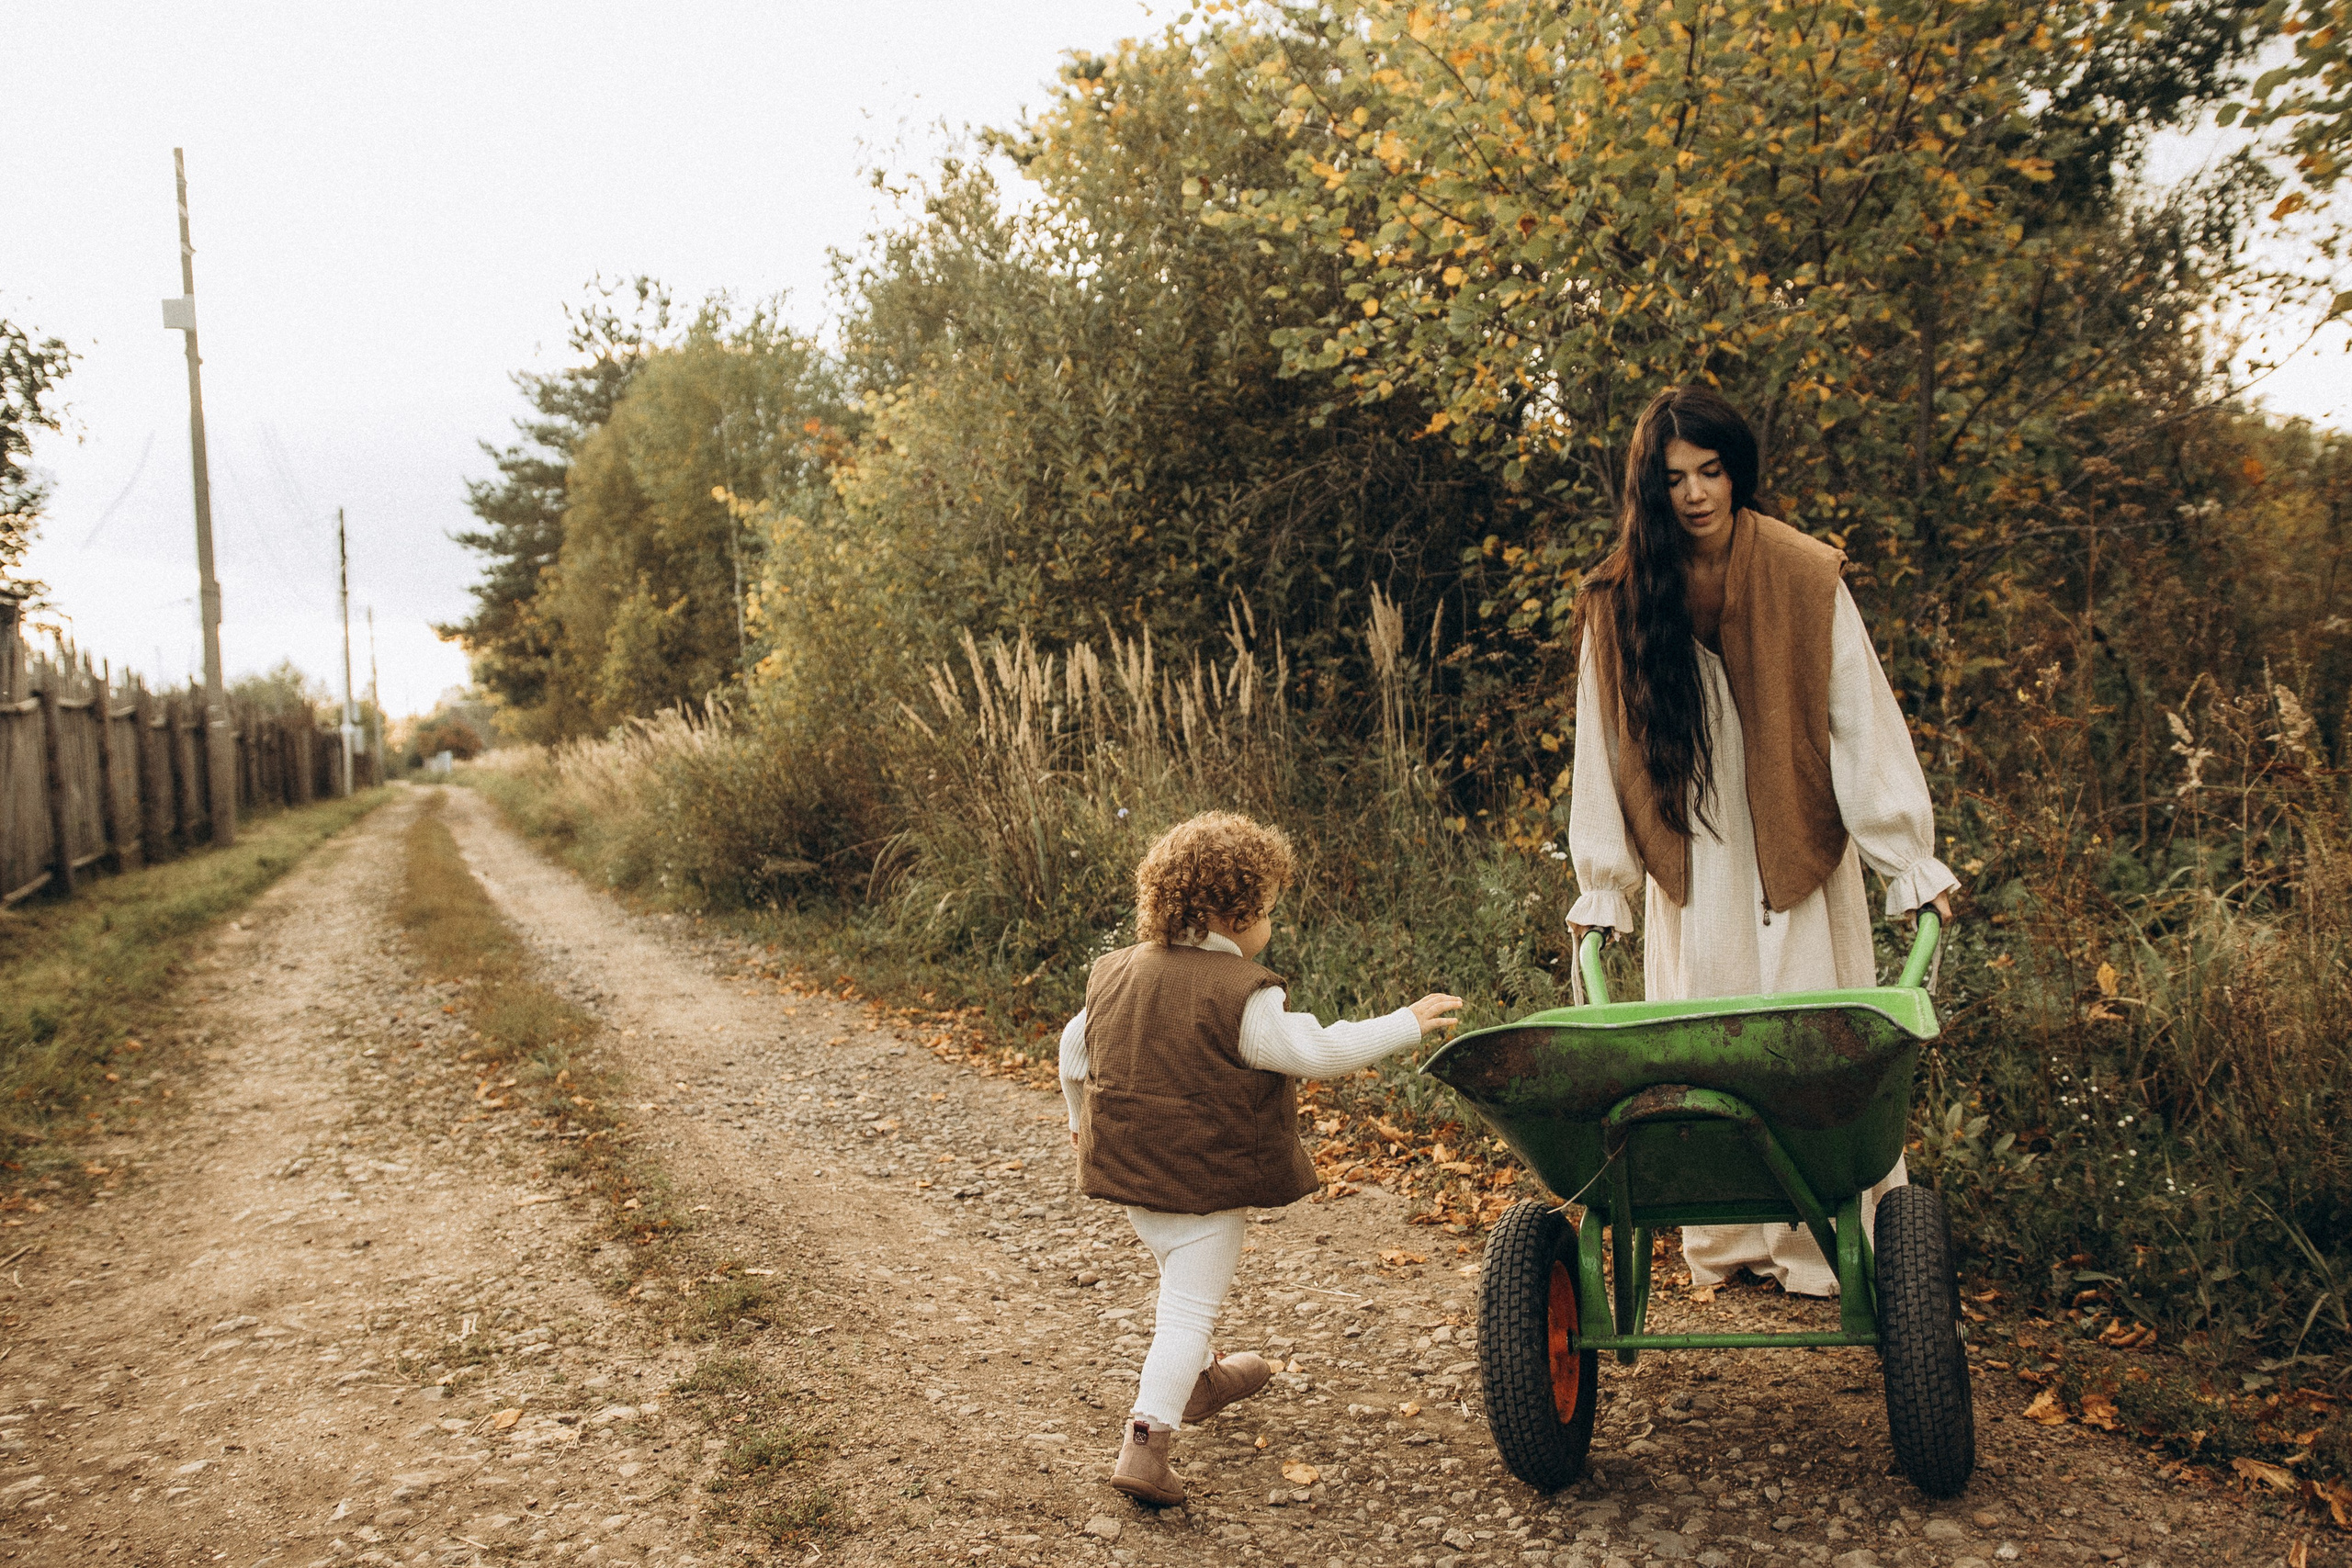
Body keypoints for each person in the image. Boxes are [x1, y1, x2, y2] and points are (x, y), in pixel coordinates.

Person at [1565, 386, 1958, 1297]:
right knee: (1705, 1032)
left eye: (1711, 471)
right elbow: (1605, 746)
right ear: (1648, 489)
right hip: (1691, 840)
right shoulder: (1622, 595)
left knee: (1803, 1035)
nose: (1697, 493)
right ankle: (1728, 1238)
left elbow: (1855, 715)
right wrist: (1602, 889)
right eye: (1674, 479)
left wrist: (1907, 857)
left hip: (1795, 834)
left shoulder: (1800, 571)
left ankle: (1822, 1248)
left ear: (1736, 471)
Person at [1058, 810, 1462, 1506]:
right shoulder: (1241, 992)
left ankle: (1203, 1377)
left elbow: (1073, 1050)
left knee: (1177, 1280)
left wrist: (1077, 1121)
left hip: (1131, 1179)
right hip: (1205, 1190)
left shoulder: (1113, 973)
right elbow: (1315, 1049)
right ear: (1234, 914)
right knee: (1186, 1310)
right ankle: (1147, 1444)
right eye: (1268, 912)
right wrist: (1406, 1023)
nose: (1270, 926)